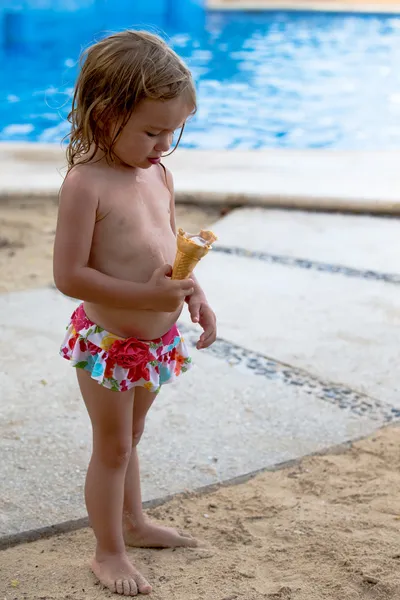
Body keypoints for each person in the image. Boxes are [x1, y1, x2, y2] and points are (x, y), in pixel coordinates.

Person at [53, 30, 217, 597]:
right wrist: (146, 299)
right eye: (152, 131)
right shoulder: (85, 185)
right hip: (109, 341)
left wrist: (193, 294)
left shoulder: (159, 174)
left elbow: (169, 247)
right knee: (113, 445)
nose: (163, 144)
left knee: (133, 436)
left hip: (156, 343)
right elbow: (68, 276)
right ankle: (108, 552)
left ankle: (135, 522)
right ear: (104, 115)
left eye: (173, 131)